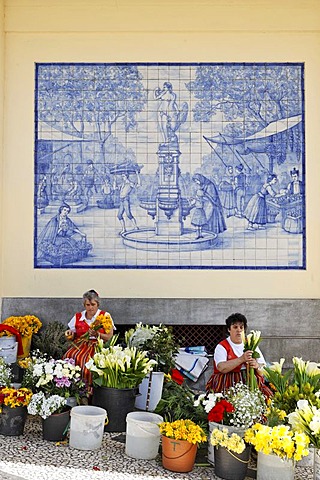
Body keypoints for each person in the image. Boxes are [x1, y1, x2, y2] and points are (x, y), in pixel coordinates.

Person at [206, 313, 272, 399]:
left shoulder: (251, 344)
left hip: (251, 382)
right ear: (229, 329)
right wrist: (242, 359)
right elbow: (221, 367)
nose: (239, 330)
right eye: (235, 327)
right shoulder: (222, 346)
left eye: (241, 327)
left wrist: (256, 366)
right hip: (228, 382)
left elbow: (263, 369)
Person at [63, 289, 115, 394]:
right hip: (80, 345)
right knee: (68, 357)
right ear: (84, 305)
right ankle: (72, 389)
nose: (90, 307)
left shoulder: (105, 316)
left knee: (87, 363)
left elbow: (109, 337)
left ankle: (88, 392)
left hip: (98, 346)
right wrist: (69, 333)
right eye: (87, 305)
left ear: (98, 304)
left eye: (93, 304)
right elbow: (72, 334)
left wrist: (98, 335)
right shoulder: (78, 316)